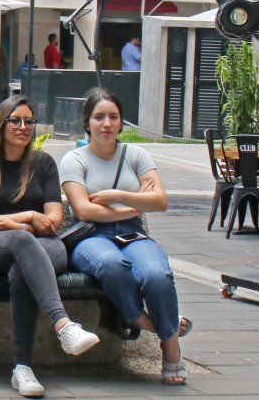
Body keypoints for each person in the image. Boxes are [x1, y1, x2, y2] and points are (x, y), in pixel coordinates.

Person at [0, 96, 101, 397]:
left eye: (29, 121)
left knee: (22, 271)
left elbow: (53, 219)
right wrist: (26, 218)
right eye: (15, 121)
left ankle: (22, 369)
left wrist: (14, 225)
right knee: (22, 241)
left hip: (44, 246)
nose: (23, 127)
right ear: (1, 125)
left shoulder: (42, 163)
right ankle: (64, 325)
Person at [60, 88, 191, 386]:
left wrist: (115, 197)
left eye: (113, 117)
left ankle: (170, 348)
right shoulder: (74, 159)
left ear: (121, 123)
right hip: (90, 237)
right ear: (87, 123)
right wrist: (134, 203)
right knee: (112, 264)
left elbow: (160, 201)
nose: (106, 123)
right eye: (99, 117)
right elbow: (84, 210)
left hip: (133, 232)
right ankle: (143, 321)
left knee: (156, 273)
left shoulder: (137, 155)